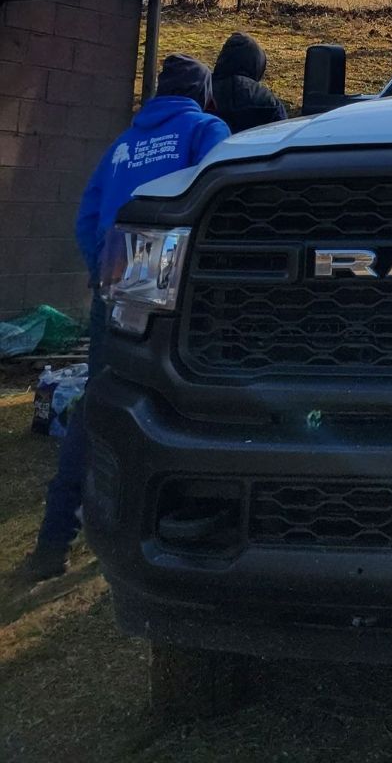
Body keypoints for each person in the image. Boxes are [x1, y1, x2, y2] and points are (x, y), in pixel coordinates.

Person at [22, 55, 230, 582]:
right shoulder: (206, 130)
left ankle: (53, 544)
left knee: (102, 402)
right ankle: (179, 532)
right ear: (203, 94)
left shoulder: (122, 146)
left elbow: (87, 216)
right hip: (181, 295)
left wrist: (104, 274)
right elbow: (221, 203)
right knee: (185, 406)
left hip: (115, 292)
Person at [210, 31, 287, 133]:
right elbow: (283, 134)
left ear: (222, 58)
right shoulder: (268, 100)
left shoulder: (203, 92)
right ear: (258, 63)